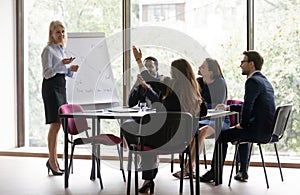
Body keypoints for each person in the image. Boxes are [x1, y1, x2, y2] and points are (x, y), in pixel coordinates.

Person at [121, 45, 203, 194]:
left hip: (161, 140)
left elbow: (149, 77)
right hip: (182, 142)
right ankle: (147, 177)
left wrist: (139, 60)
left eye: (172, 71)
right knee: (146, 137)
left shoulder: (171, 85)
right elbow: (201, 113)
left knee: (135, 131)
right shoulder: (195, 93)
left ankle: (146, 173)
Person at [199, 50, 275, 183]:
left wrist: (243, 124)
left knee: (222, 135)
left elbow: (248, 108)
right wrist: (229, 107)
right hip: (267, 130)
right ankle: (243, 171)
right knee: (238, 132)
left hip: (257, 131)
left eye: (243, 62)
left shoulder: (252, 81)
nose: (240, 65)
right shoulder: (264, 81)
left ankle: (215, 172)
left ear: (251, 64)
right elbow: (251, 106)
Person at [172, 58, 230, 179]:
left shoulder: (220, 83)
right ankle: (188, 166)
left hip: (219, 121)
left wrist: (201, 105)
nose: (199, 67)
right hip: (203, 119)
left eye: (203, 67)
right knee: (190, 128)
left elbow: (218, 105)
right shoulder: (198, 82)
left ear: (211, 71)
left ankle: (189, 168)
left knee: (201, 132)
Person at [41, 20, 79, 176]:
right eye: (57, 32)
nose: (61, 34)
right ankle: (52, 160)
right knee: (55, 124)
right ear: (51, 33)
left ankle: (54, 160)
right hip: (51, 88)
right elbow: (47, 73)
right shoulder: (48, 50)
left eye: (63, 31)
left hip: (61, 87)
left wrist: (70, 69)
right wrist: (61, 65)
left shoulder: (61, 50)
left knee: (59, 124)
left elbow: (63, 72)